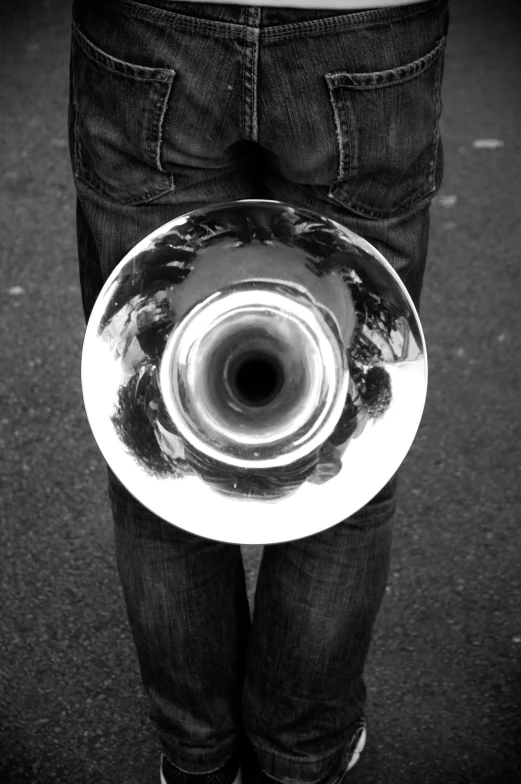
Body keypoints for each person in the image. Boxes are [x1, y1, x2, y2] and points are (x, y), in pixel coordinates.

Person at [67, 1, 450, 782]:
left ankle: (199, 754)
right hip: (365, 23)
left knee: (151, 431)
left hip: (152, 22)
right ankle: (299, 752)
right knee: (350, 423)